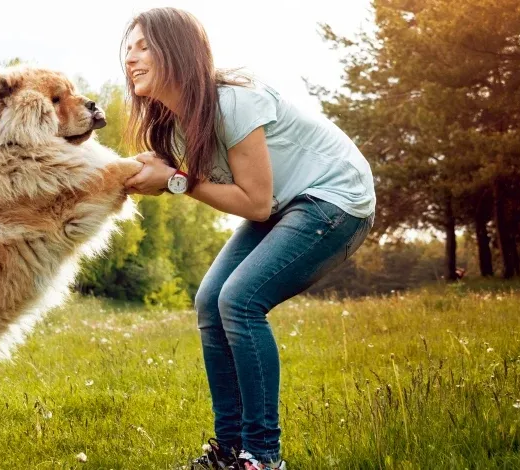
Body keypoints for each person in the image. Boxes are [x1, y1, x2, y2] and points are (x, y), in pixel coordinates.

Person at [120, 7, 377, 470]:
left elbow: (255, 203)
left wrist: (176, 181)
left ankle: (261, 457)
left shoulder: (232, 102)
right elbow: (197, 181)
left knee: (239, 300)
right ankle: (228, 451)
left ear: (176, 51)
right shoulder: (175, 121)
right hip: (286, 204)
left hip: (335, 199)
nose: (130, 58)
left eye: (143, 46)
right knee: (209, 301)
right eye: (128, 48)